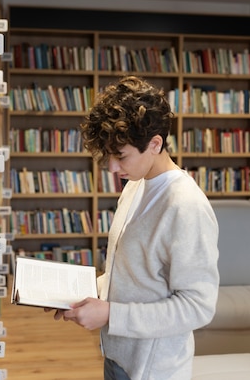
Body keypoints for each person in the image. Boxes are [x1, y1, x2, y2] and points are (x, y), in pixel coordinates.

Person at [48, 76, 220, 380]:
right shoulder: (136, 184)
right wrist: (79, 295)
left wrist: (111, 314)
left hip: (154, 369)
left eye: (121, 156)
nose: (113, 168)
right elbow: (130, 275)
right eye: (108, 156)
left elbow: (198, 307)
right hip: (117, 355)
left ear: (155, 143)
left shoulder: (186, 205)